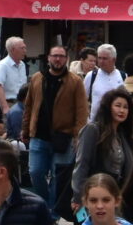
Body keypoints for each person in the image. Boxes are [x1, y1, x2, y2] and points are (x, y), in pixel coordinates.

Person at [23, 47, 94, 215]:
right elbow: (29, 105)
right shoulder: (37, 78)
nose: (58, 60)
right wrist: (25, 129)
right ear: (48, 58)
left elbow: (81, 110)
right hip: (39, 135)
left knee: (58, 176)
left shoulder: (75, 81)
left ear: (66, 59)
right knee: (35, 172)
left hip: (64, 136)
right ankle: (45, 203)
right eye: (55, 56)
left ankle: (53, 211)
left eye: (61, 57)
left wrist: (78, 135)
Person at [79, 88, 133, 202]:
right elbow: (82, 164)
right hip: (94, 194)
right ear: (108, 107)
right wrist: (79, 196)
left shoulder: (123, 136)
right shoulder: (93, 130)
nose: (122, 110)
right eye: (118, 105)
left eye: (125, 107)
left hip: (116, 196)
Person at [0, 37, 33, 108]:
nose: (25, 51)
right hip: (8, 103)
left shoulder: (22, 65)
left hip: (21, 104)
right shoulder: (3, 65)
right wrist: (5, 107)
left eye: (25, 48)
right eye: (22, 48)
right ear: (13, 50)